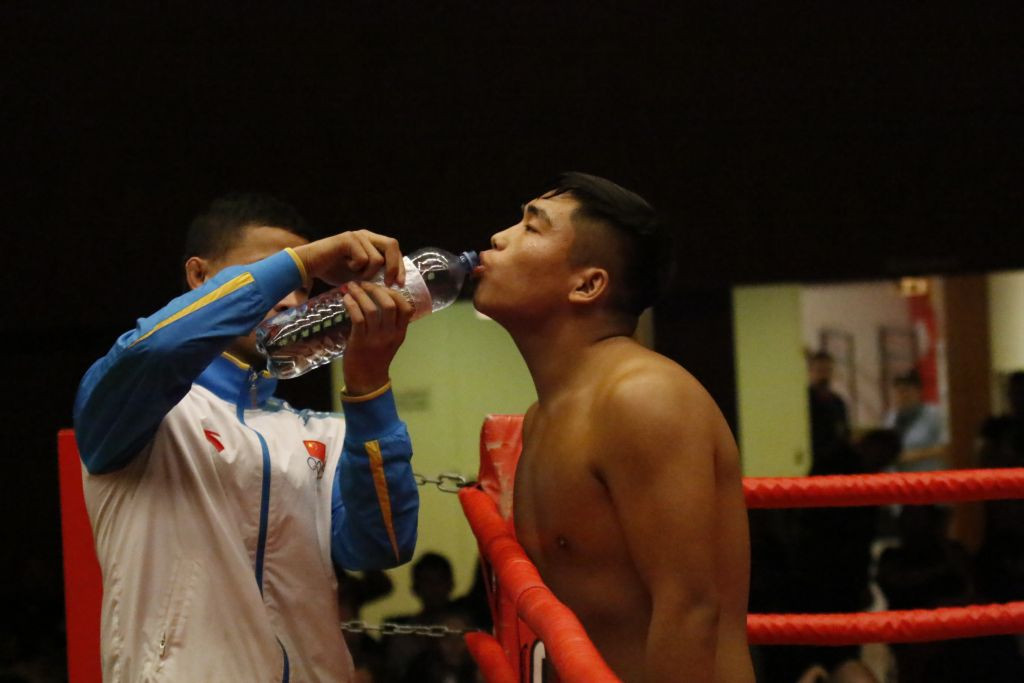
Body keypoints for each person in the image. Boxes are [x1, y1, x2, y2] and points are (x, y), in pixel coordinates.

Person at [73, 194, 420, 681]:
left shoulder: (321, 431)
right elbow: (157, 351)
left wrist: (368, 386)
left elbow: (381, 547)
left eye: (303, 287)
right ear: (199, 276)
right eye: (272, 274)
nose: (291, 300)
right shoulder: (145, 411)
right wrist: (307, 260)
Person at [472, 172, 754, 682]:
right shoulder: (542, 417)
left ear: (587, 284)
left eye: (532, 228)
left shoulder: (643, 397)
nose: (499, 237)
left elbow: (690, 608)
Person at [883, 369, 947, 472]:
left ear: (918, 391)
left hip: (926, 476)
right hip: (897, 478)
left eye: (907, 390)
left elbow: (946, 448)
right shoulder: (891, 418)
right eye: (899, 391)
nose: (903, 395)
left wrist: (913, 455)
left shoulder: (933, 415)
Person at [807, 350, 852, 475]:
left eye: (827, 370)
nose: (824, 375)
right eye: (820, 370)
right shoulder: (803, 401)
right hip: (812, 462)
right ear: (810, 371)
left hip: (835, 464)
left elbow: (844, 431)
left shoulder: (838, 402)